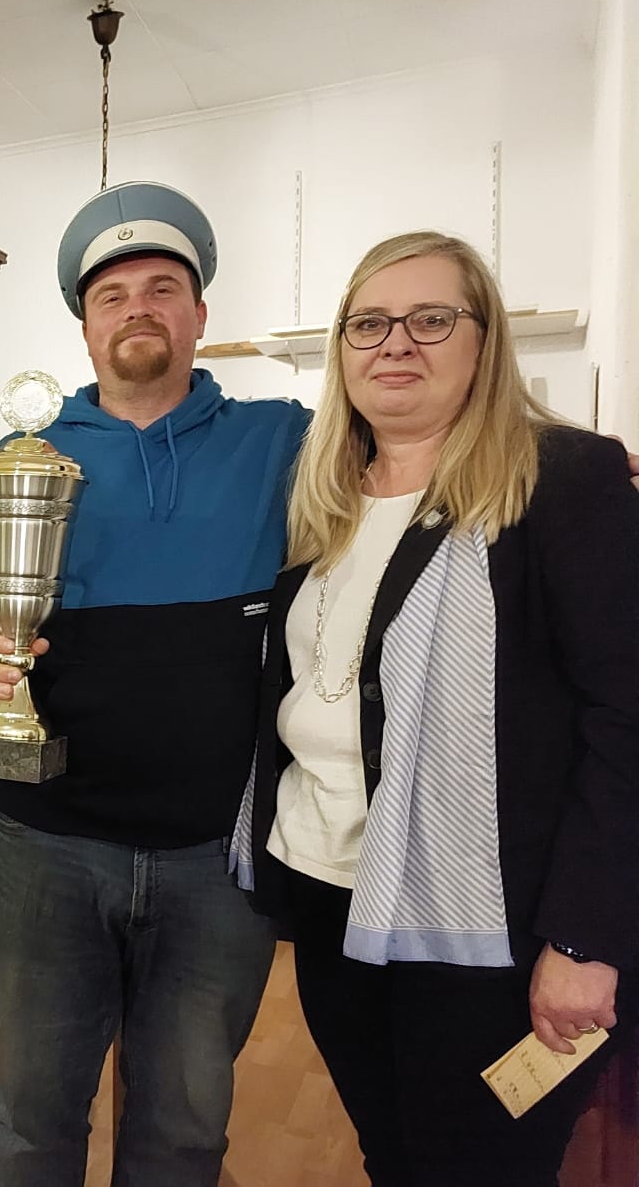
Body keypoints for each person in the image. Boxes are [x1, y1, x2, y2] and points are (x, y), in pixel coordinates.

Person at [231, 231, 639, 1186]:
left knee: (484, 1168)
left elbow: (624, 720)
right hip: (331, 895)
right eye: (369, 324)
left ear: (484, 339)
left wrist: (586, 939)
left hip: (490, 930)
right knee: (392, 1153)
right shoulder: (318, 497)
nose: (396, 344)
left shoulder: (560, 479)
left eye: (431, 319)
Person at [0, 182, 309, 1187]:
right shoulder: (15, 463)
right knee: (30, 1116)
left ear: (199, 314)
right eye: (112, 295)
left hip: (215, 856)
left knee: (184, 1127)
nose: (138, 307)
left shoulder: (282, 441)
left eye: (162, 288)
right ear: (85, 326)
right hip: (44, 847)